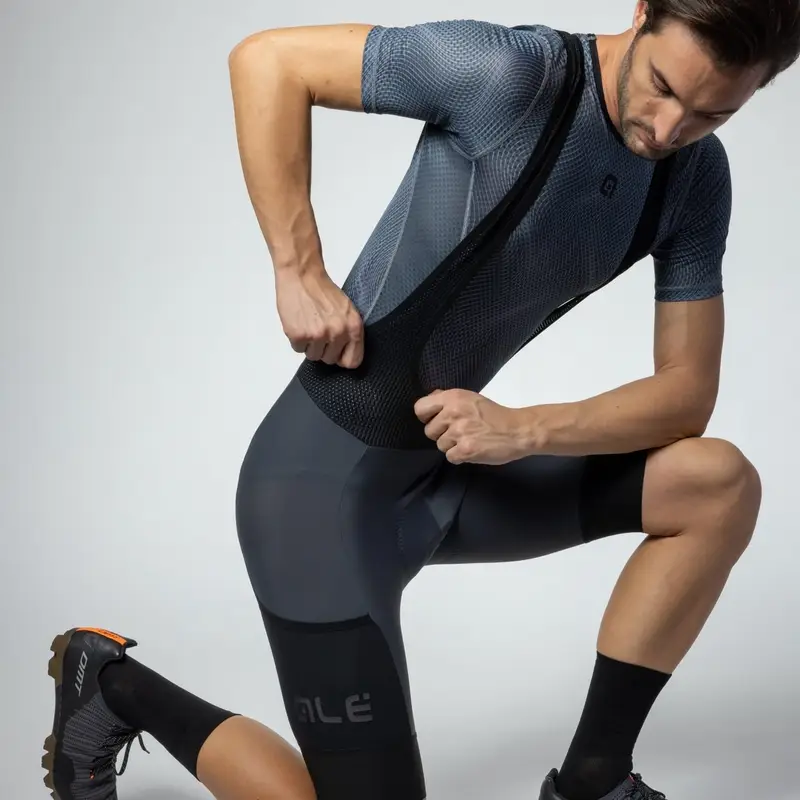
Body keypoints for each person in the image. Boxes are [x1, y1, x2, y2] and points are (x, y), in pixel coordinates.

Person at [42, 2, 799, 799]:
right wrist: (298, 269)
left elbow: (686, 395)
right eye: (664, 87)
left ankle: (593, 781)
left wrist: (524, 429)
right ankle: (114, 688)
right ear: (642, 12)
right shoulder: (510, 77)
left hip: (444, 479)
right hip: (315, 499)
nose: (670, 128)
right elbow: (268, 61)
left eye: (713, 112)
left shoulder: (692, 179)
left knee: (717, 485)